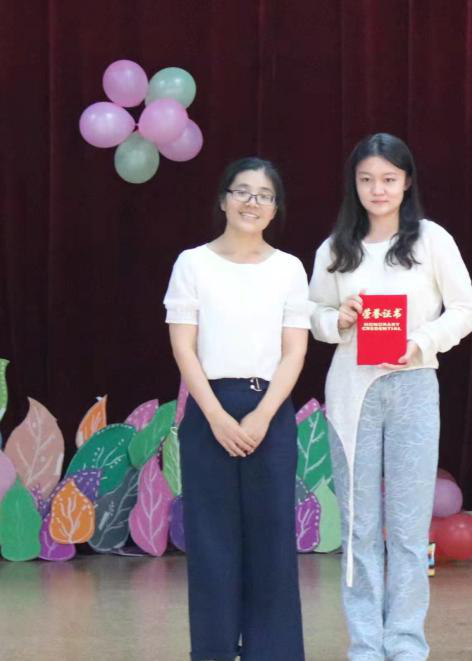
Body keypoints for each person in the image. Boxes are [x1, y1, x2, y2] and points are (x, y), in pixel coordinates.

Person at [309, 133, 472, 661]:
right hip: (352, 393)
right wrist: (337, 319)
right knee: (359, 526)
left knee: (408, 526)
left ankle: (405, 642)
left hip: (413, 386)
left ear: (407, 182)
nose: (377, 189)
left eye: (388, 179)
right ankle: (365, 644)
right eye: (366, 180)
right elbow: (311, 314)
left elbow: (466, 310)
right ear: (354, 185)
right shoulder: (335, 248)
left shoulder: (431, 240)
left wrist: (422, 341)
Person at [164, 157, 310, 661]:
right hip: (211, 410)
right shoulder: (192, 263)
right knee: (211, 542)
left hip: (270, 410)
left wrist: (263, 415)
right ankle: (213, 650)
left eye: (264, 195)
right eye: (243, 191)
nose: (253, 202)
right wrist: (216, 416)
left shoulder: (289, 268)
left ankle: (275, 651)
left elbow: (295, 351)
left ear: (275, 208)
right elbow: (184, 347)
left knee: (272, 541)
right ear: (224, 199)